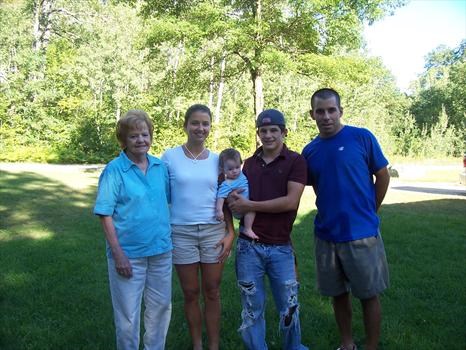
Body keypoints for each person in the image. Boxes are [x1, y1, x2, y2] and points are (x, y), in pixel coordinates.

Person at [302, 88, 390, 350]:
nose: (326, 116)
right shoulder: (310, 151)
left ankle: (371, 346)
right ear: (312, 114)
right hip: (327, 235)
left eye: (331, 110)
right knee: (337, 294)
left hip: (361, 233)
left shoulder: (361, 137)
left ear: (341, 111)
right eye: (320, 111)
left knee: (368, 295)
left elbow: (382, 175)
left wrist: (370, 209)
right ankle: (347, 343)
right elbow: (317, 185)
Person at [228, 109, 308, 350]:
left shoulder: (296, 161)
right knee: (252, 308)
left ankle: (293, 348)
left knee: (289, 307)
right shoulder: (249, 164)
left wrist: (249, 205)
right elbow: (237, 200)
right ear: (258, 133)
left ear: (284, 132)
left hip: (281, 247)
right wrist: (234, 203)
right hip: (248, 248)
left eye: (274, 130)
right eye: (264, 131)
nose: (269, 135)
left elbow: (290, 202)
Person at [94, 110, 172, 350]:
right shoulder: (114, 170)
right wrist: (118, 254)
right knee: (128, 316)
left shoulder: (160, 167)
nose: (141, 140)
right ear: (123, 140)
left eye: (145, 134)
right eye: (134, 136)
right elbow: (104, 214)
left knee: (160, 310)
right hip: (129, 256)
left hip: (161, 252)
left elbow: (165, 202)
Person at [161, 104, 235, 350]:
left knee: (212, 290)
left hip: (214, 231)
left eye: (205, 124)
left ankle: (213, 345)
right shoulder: (169, 157)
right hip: (181, 232)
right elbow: (161, 196)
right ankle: (197, 345)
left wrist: (230, 233)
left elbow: (224, 199)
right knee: (191, 292)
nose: (200, 128)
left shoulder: (217, 161)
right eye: (195, 123)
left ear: (210, 127)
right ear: (185, 125)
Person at [216, 148, 258, 240]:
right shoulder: (226, 184)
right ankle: (247, 229)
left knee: (252, 207)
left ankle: (247, 228)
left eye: (237, 167)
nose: (235, 171)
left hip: (246, 203)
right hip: (238, 208)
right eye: (230, 169)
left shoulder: (241, 174)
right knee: (252, 209)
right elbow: (220, 197)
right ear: (223, 170)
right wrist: (219, 211)